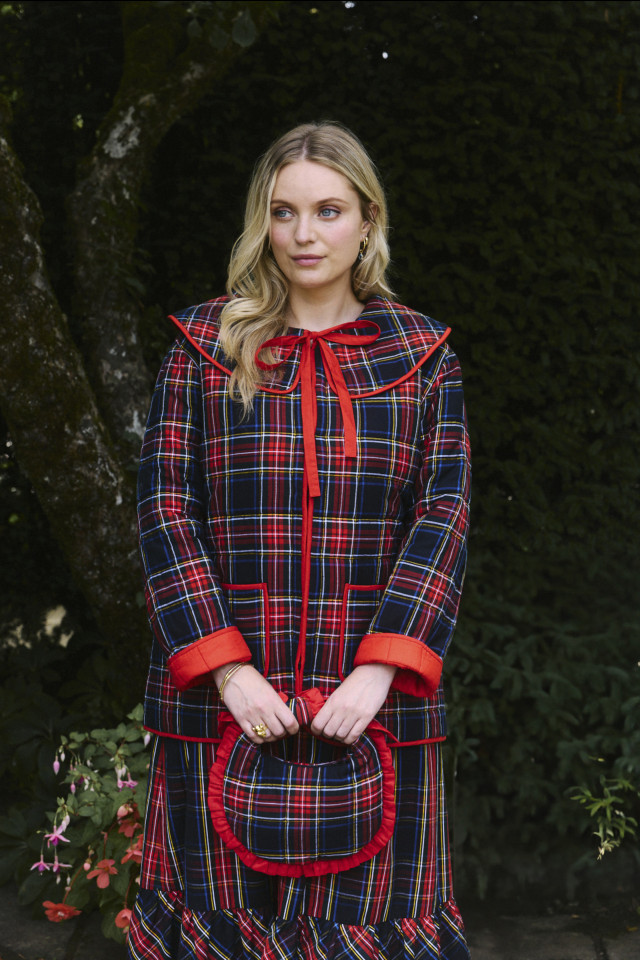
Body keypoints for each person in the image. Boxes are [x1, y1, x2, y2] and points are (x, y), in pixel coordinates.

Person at [127, 121, 471, 960]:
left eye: (328, 210)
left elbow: (444, 514)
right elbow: (165, 509)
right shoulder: (205, 351)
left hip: (374, 705)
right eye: (283, 213)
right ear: (262, 222)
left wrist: (380, 669)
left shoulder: (422, 359)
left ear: (367, 219)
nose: (305, 235)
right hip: (221, 702)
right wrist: (228, 669)